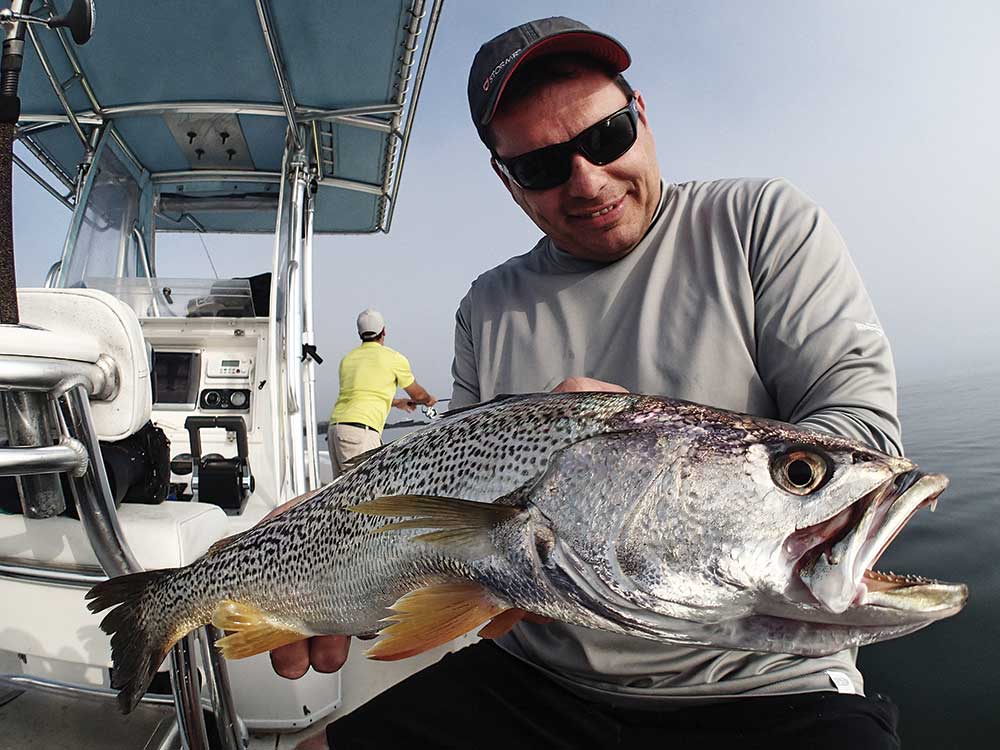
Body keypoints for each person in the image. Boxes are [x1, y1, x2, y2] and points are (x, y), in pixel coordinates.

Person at [276, 17, 903, 749]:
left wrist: (644, 451)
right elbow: (456, 504)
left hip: (763, 680)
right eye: (542, 167)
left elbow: (863, 446)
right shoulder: (487, 304)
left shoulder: (758, 223)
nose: (588, 180)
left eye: (606, 138)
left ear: (643, 117)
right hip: (538, 673)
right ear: (506, 181)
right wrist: (326, 546)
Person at [327, 308, 436, 477]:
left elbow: (362, 394)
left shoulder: (347, 359)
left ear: (359, 333)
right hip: (360, 432)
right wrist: (428, 399)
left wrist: (397, 402)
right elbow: (418, 396)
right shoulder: (393, 358)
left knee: (341, 498)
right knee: (364, 496)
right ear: (384, 331)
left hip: (336, 430)